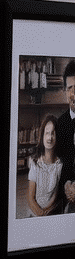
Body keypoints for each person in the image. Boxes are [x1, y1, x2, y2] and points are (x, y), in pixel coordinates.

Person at [27, 115, 63, 216]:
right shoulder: (35, 162)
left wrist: (47, 210)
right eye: (47, 133)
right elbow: (30, 197)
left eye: (53, 133)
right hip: (35, 213)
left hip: (51, 212)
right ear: (42, 136)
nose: (49, 138)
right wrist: (39, 213)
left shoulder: (60, 164)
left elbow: (56, 196)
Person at [56, 60, 75, 212]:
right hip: (67, 193)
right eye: (69, 88)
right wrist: (67, 184)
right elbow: (60, 162)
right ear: (64, 91)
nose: (73, 93)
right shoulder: (60, 123)